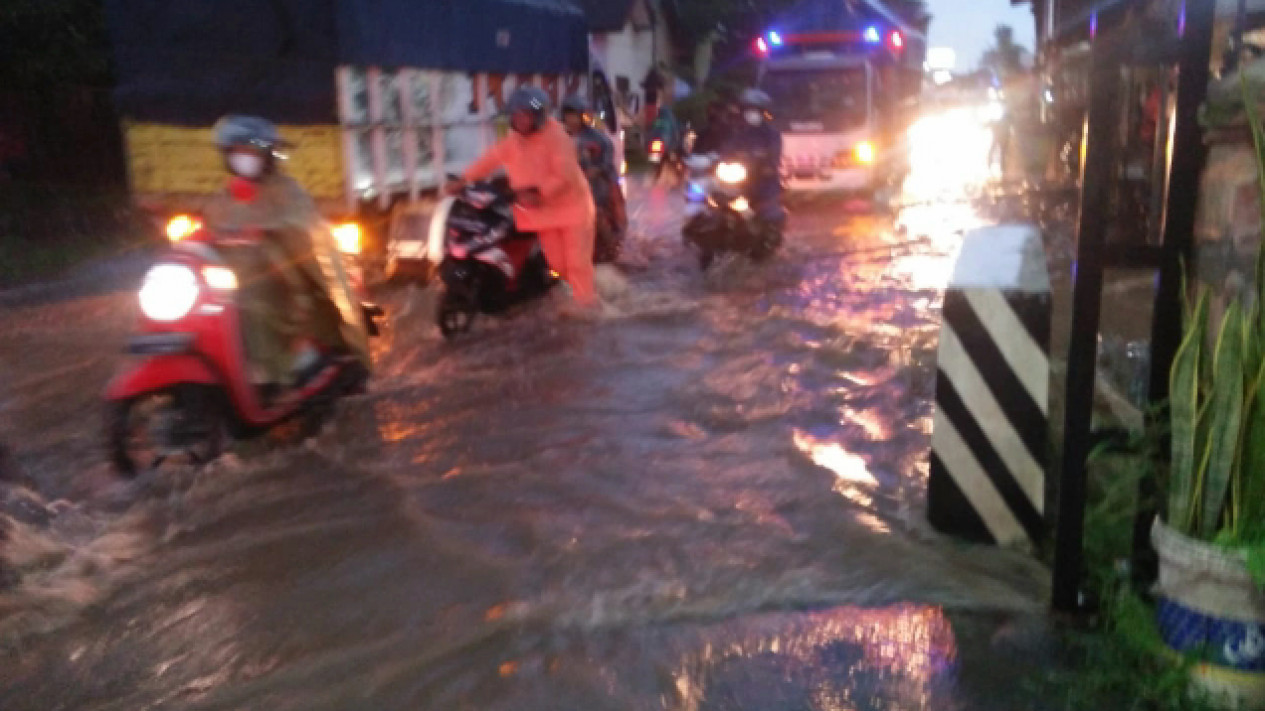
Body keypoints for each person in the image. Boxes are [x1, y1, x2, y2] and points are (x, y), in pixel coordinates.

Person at [204, 115, 370, 389]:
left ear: (266, 155)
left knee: (255, 301)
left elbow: (303, 228)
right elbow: (211, 225)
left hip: (285, 273)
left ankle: (279, 369)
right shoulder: (226, 194)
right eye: (236, 152)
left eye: (250, 151)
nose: (243, 158)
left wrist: (268, 231)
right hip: (240, 273)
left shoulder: (287, 190)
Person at [448, 87, 598, 308]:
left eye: (524, 115)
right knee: (558, 263)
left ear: (537, 116)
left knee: (576, 263)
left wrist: (539, 193)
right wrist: (463, 180)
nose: (519, 121)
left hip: (573, 210)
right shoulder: (514, 141)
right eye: (515, 115)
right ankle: (585, 291)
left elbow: (564, 176)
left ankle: (588, 309)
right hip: (542, 214)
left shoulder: (558, 138)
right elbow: (490, 160)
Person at [561, 95, 626, 262]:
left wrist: (595, 171)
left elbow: (607, 163)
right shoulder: (560, 139)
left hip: (597, 187)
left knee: (595, 214)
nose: (571, 120)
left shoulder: (599, 139)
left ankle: (612, 250)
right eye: (568, 116)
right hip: (569, 189)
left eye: (574, 115)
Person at [726, 89, 785, 218]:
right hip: (740, 179)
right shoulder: (738, 132)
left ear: (763, 112)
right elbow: (727, 149)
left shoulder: (771, 134)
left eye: (754, 110)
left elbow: (774, 153)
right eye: (747, 109)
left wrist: (767, 163)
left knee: (771, 213)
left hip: (763, 180)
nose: (750, 113)